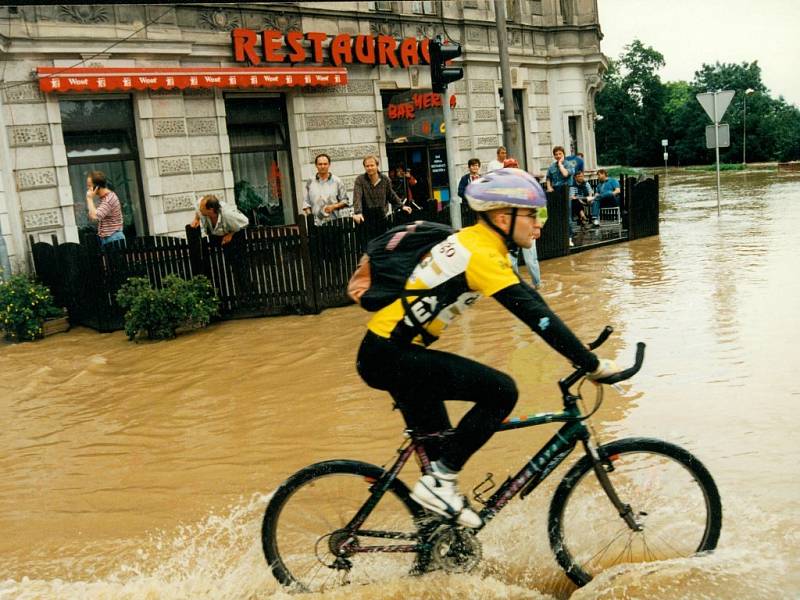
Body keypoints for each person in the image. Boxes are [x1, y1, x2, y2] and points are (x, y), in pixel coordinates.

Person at [356, 167, 621, 528]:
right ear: (502, 217)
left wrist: (583, 353)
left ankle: (441, 548)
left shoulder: (477, 243)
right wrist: (591, 364)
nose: (538, 223)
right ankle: (438, 485)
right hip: (390, 356)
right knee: (500, 391)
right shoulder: (479, 254)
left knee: (442, 468)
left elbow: (530, 298)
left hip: (392, 353)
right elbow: (534, 316)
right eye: (531, 214)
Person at [502, 157, 540, 287]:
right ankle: (518, 287)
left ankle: (538, 285)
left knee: (530, 261)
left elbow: (540, 206)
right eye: (508, 168)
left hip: (527, 227)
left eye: (513, 167)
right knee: (511, 263)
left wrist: (537, 226)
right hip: (511, 229)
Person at [352, 155, 412, 228]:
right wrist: (358, 212)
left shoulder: (385, 179)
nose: (369, 168)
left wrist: (402, 206)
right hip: (365, 218)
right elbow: (357, 197)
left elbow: (391, 195)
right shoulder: (360, 180)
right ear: (364, 167)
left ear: (377, 166)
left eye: (372, 165)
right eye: (367, 166)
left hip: (382, 217)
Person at [302, 153, 350, 226]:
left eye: (325, 164)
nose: (322, 166)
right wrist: (311, 219)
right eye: (320, 164)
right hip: (316, 225)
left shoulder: (337, 181)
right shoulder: (310, 182)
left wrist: (333, 206)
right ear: (316, 165)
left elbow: (345, 201)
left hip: (335, 223)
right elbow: (306, 204)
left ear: (329, 165)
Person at [85, 171, 125, 248]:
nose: (88, 189)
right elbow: (91, 217)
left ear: (97, 187)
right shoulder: (104, 198)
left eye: (89, 186)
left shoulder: (109, 199)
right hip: (108, 238)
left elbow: (94, 216)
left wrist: (89, 199)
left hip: (114, 238)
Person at [568, 170, 594, 244]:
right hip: (576, 200)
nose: (581, 178)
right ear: (575, 177)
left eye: (582, 176)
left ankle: (583, 218)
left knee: (592, 200)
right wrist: (579, 199)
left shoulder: (586, 183)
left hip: (585, 198)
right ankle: (583, 217)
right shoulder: (572, 185)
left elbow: (590, 192)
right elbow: (572, 196)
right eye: (579, 176)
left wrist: (589, 197)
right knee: (576, 202)